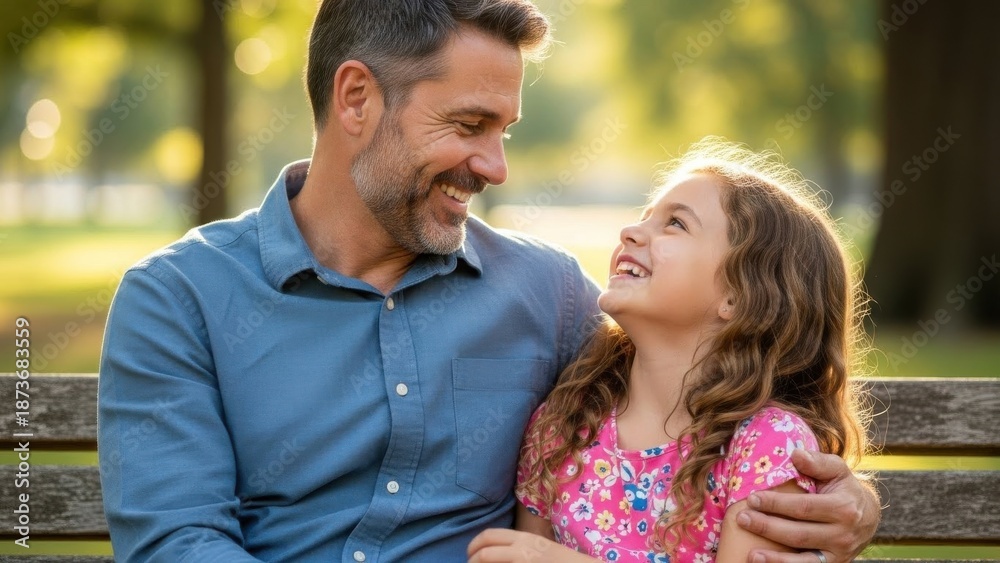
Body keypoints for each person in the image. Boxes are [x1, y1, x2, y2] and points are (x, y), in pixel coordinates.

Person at [97, 2, 878, 561]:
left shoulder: (548, 296)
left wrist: (856, 506)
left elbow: (712, 388)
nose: (494, 168)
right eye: (468, 126)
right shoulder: (180, 300)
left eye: (503, 133)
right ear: (357, 99)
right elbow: (178, 540)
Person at [467, 139, 874, 563]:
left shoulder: (766, 446)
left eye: (675, 224)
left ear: (739, 296)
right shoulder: (564, 424)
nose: (630, 232)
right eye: (645, 217)